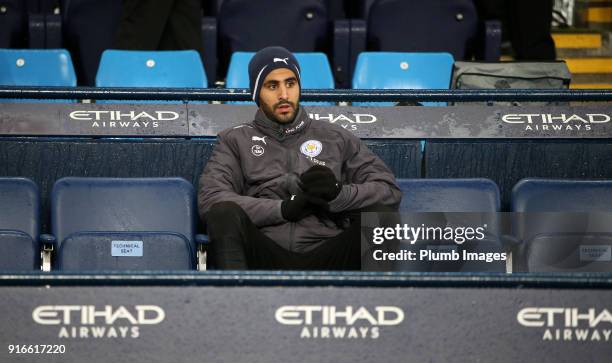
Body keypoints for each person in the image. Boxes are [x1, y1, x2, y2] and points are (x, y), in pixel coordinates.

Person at [198, 46, 401, 270]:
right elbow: (212, 200)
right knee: (223, 214)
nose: (284, 95)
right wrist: (282, 209)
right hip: (264, 254)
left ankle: (382, 305)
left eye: (290, 83)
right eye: (272, 86)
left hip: (328, 253)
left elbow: (387, 191)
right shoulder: (234, 140)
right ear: (256, 93)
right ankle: (236, 300)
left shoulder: (336, 137)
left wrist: (337, 194)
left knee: (381, 218)